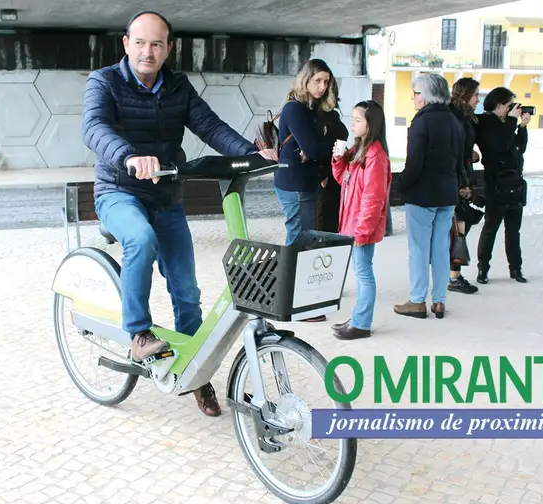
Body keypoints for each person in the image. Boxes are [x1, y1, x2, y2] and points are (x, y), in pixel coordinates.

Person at [81, 10, 278, 417]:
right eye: (140, 42)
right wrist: (129, 156)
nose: (147, 51)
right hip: (119, 190)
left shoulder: (178, 87)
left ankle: (196, 375)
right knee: (139, 238)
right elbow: (94, 127)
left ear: (168, 48)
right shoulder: (105, 81)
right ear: (126, 44)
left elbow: (210, 125)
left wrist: (251, 154)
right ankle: (138, 333)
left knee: (187, 293)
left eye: (156, 44)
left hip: (166, 196)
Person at [393, 74, 468, 320]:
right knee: (439, 248)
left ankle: (416, 301)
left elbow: (414, 164)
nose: (413, 98)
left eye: (415, 93)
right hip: (447, 194)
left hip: (422, 195)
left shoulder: (421, 122)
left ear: (425, 96)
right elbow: (459, 162)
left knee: (418, 249)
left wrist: (400, 185)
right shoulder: (455, 121)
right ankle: (439, 301)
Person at [329, 100, 391, 340]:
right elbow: (342, 180)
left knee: (364, 273)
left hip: (360, 227)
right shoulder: (359, 150)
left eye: (358, 120)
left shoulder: (376, 156)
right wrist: (339, 160)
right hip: (352, 223)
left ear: (371, 124)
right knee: (360, 272)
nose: (352, 125)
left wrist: (362, 232)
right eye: (352, 119)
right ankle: (358, 317)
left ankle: (362, 323)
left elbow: (373, 199)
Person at [274, 59, 340, 246]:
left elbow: (315, 147)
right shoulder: (295, 108)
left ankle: (295, 274)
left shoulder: (312, 109)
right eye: (318, 80)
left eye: (326, 82)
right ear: (306, 80)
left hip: (304, 181)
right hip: (295, 183)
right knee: (299, 236)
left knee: (305, 236)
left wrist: (318, 146)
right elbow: (312, 150)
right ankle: (290, 274)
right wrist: (330, 146)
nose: (322, 87)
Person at [473, 86, 530, 284]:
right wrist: (513, 122)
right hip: (496, 183)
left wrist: (522, 126)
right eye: (509, 105)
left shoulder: (508, 123)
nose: (511, 108)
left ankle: (516, 268)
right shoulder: (486, 122)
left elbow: (518, 148)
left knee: (514, 230)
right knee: (491, 228)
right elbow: (500, 145)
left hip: (514, 181)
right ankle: (483, 268)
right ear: (498, 105)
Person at [447, 77, 482, 295]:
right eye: (476, 94)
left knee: (460, 227)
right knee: (457, 229)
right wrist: (461, 184)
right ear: (466, 94)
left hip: (463, 177)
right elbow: (455, 153)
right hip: (456, 180)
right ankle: (454, 276)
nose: (478, 99)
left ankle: (453, 274)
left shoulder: (465, 117)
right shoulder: (455, 117)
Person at [315, 106, 350, 233]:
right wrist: (322, 174)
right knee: (324, 218)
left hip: (333, 172)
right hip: (327, 174)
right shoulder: (317, 115)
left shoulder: (332, 115)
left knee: (330, 217)